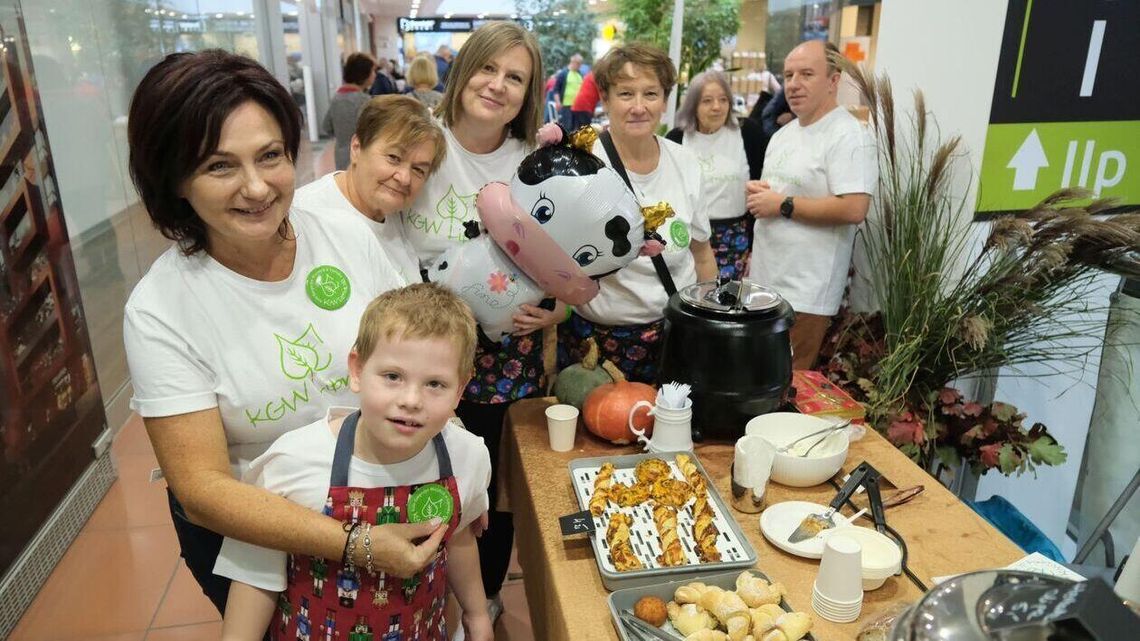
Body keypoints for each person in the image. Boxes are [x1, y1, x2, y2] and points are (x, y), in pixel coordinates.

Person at [123, 50, 443, 614]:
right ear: (174, 179)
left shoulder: (344, 237)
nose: (256, 188)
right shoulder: (161, 309)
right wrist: (358, 544)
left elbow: (419, 360)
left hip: (382, 499)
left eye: (270, 156)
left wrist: (453, 464)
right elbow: (201, 490)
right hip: (257, 543)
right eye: (219, 166)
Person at [216, 283, 493, 641]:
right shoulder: (292, 462)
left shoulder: (468, 457)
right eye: (393, 376)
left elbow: (459, 539)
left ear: (460, 390)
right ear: (358, 370)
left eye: (435, 384)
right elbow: (256, 574)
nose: (411, 400)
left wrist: (477, 614)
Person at [401, 21, 554, 623]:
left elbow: (570, 258)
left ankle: (482, 601)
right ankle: (414, 600)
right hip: (421, 347)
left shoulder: (535, 163)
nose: (497, 85)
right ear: (463, 70)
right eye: (488, 68)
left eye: (515, 77)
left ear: (528, 92)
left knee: (490, 486)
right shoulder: (421, 141)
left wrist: (557, 308)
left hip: (505, 357)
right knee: (419, 475)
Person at [559, 43, 717, 384]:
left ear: (665, 100)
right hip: (596, 345)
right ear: (605, 99)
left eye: (651, 94)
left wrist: (708, 324)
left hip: (675, 336)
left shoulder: (685, 163)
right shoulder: (579, 163)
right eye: (626, 94)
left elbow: (702, 254)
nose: (638, 107)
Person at [745, 41, 877, 370]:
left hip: (805, 292)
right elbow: (779, 196)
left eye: (806, 74)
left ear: (833, 80)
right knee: (756, 376)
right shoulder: (783, 135)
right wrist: (762, 194)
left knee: (786, 383)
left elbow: (854, 208)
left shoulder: (848, 134)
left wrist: (783, 204)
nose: (793, 84)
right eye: (788, 75)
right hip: (765, 283)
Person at [297, 95, 445, 284]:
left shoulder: (393, 215)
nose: (404, 178)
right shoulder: (304, 217)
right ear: (356, 148)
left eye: (418, 170)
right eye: (394, 158)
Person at [667, 70, 766, 280]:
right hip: (690, 238)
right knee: (690, 294)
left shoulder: (748, 133)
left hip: (736, 237)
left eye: (723, 100)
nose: (717, 107)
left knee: (727, 296)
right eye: (707, 101)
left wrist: (754, 245)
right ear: (693, 105)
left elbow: (762, 186)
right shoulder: (676, 139)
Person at [322, 52, 377, 170]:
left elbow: (326, 127)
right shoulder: (365, 101)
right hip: (362, 155)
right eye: (373, 71)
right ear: (364, 74)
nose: (374, 75)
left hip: (341, 156)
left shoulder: (336, 98)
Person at [552, 53, 584, 129]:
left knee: (577, 128)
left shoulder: (580, 74)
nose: (580, 66)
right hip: (566, 106)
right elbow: (556, 89)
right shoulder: (563, 73)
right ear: (573, 62)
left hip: (578, 106)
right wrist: (558, 102)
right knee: (567, 127)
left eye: (580, 64)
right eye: (578, 64)